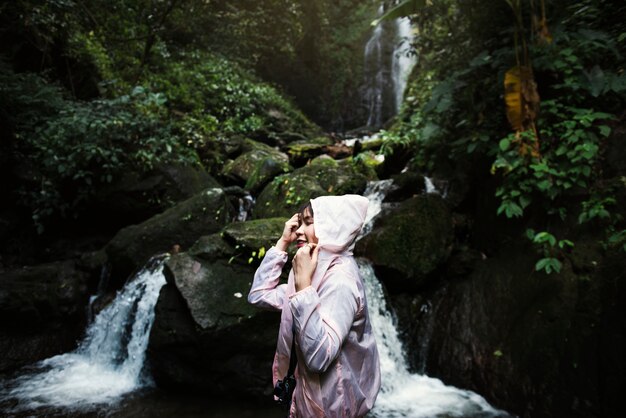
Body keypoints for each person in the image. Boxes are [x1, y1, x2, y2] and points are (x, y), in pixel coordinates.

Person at [248, 194, 381, 417]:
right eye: (300, 222)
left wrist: (303, 288)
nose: (299, 229)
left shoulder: (340, 281)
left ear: (333, 227)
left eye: (309, 222)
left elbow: (319, 358)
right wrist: (282, 243)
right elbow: (260, 295)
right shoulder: (312, 269)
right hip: (306, 396)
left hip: (332, 405)